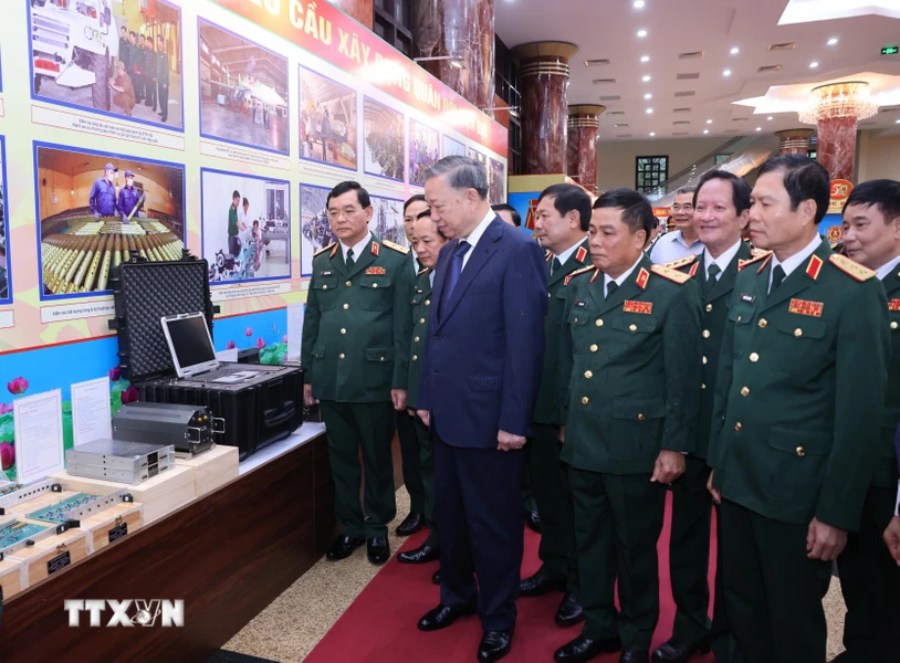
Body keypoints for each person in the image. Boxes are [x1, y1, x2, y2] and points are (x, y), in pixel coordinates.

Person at [707, 155, 890, 663]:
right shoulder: (750, 275)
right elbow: (731, 380)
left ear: (807, 209)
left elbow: (859, 416)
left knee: (791, 620)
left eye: (764, 203)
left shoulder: (851, 290)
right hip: (740, 479)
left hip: (796, 491)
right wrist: (720, 462)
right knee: (741, 608)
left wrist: (836, 512)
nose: (752, 215)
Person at [554, 188, 701, 663]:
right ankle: (600, 627)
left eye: (606, 232)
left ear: (640, 237)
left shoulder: (669, 292)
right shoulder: (578, 285)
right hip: (583, 443)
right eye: (592, 230)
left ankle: (636, 638)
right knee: (589, 544)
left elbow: (683, 379)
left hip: (636, 448)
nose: (594, 240)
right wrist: (564, 423)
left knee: (634, 551)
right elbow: (571, 366)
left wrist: (675, 446)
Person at [415, 156, 547, 662]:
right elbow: (437, 335)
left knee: (493, 527)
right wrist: (426, 396)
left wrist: (515, 421)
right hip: (447, 416)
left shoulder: (517, 249)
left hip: (493, 422)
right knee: (451, 520)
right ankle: (457, 597)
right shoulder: (449, 254)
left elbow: (525, 344)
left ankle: (497, 618)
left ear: (471, 198)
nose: (433, 217)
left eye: (438, 205)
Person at [653, 170, 752, 663]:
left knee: (736, 552)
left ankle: (731, 637)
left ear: (744, 215)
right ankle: (690, 625)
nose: (705, 216)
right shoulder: (679, 278)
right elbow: (672, 370)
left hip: (739, 439)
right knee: (686, 542)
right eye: (699, 206)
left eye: (717, 207)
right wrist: (671, 438)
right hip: (690, 434)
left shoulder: (760, 273)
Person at [301, 180, 413, 566]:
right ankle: (350, 525)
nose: (340, 219)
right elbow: (313, 320)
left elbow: (404, 327)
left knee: (378, 457)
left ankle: (377, 527)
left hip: (375, 379)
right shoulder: (322, 261)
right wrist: (309, 376)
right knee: (341, 458)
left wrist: (401, 379)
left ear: (368, 213)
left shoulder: (396, 261)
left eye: (349, 210)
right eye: (333, 212)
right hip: (332, 378)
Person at [518, 183, 592, 629]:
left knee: (577, 501)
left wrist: (568, 412)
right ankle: (554, 565)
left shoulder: (592, 267)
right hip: (537, 405)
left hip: (571, 412)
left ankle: (582, 583)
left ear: (573, 220)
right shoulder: (541, 263)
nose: (538, 223)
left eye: (545, 215)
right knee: (546, 494)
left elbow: (582, 351)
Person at [833, 178, 900, 663]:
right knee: (858, 574)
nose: (848, 236)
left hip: (893, 473)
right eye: (846, 224)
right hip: (851, 462)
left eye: (861, 225)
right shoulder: (847, 286)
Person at [398, 208, 449, 568]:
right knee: (429, 470)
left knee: (448, 477)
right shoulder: (422, 281)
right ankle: (437, 535)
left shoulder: (459, 282)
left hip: (447, 398)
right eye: (415, 242)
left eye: (427, 241)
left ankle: (452, 542)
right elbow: (413, 342)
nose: (419, 249)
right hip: (423, 397)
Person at [394, 194, 430, 538]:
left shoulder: (444, 264)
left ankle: (436, 516)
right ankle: (418, 508)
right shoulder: (399, 264)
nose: (412, 225)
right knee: (411, 451)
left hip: (433, 383)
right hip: (406, 376)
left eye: (420, 216)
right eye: (407, 219)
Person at [649, 187, 703, 263]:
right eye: (676, 207)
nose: (680, 212)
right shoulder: (663, 243)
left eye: (687, 207)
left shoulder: (713, 244)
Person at [156, 35, 170, 123]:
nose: (157, 43)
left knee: (164, 98)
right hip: (159, 79)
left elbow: (166, 69)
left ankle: (165, 115)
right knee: (160, 97)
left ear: (162, 42)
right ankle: (162, 110)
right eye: (157, 41)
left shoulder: (164, 54)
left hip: (164, 80)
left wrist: (165, 82)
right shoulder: (158, 53)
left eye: (158, 41)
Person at [228, 190, 241, 257]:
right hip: (232, 237)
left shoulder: (235, 209)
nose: (238, 202)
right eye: (237, 200)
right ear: (233, 199)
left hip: (235, 236)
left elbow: (238, 221)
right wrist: (242, 229)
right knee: (232, 257)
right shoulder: (232, 210)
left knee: (236, 255)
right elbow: (236, 222)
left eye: (239, 200)